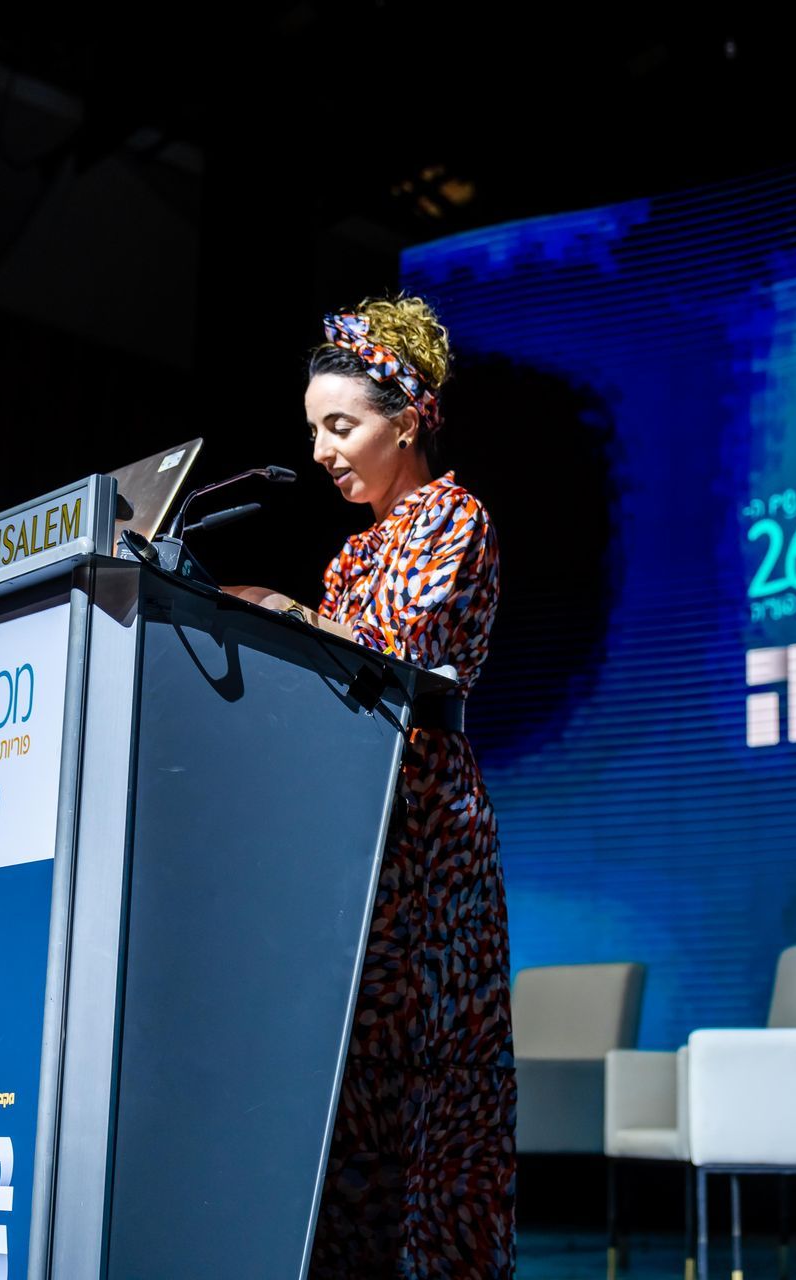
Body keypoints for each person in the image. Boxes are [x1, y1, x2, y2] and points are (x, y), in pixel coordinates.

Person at [228, 294, 514, 1278]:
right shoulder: (351, 551)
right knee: (352, 1083)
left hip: (426, 825)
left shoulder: (454, 518)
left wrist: (279, 610)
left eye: (341, 427)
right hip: (350, 819)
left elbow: (384, 654)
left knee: (433, 1075)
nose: (321, 451)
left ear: (409, 420)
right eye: (314, 430)